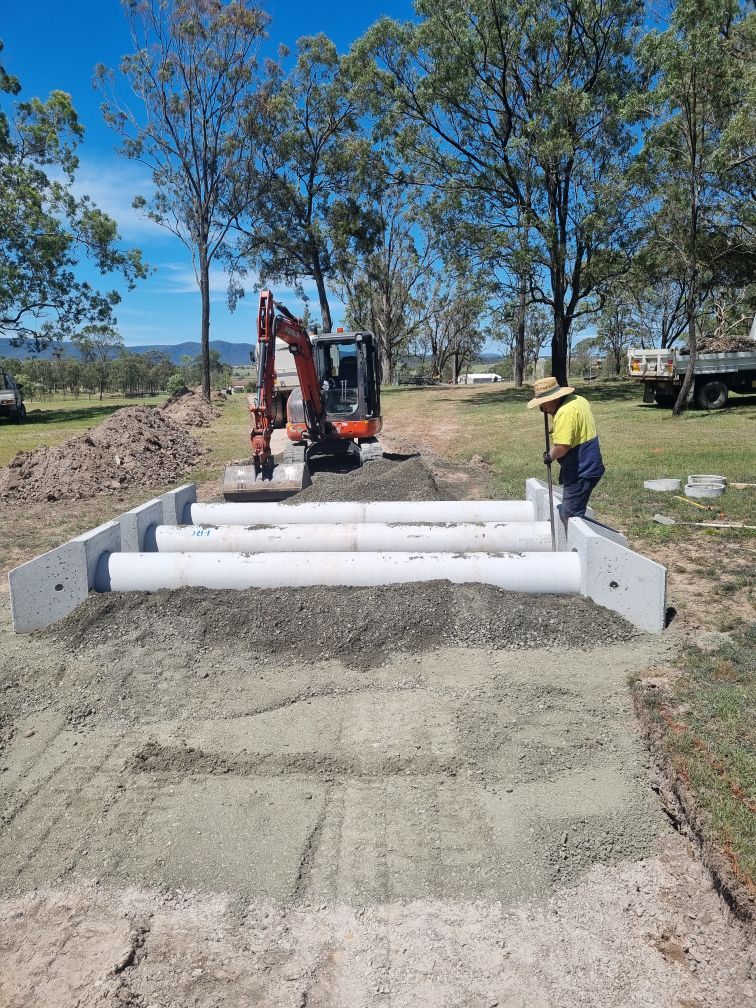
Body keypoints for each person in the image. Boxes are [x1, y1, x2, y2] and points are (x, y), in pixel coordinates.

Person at [527, 377, 605, 527]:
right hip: (589, 462)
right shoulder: (578, 400)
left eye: (543, 404)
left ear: (554, 399)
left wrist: (549, 456)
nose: (542, 409)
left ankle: (580, 547)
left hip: (582, 469)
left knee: (570, 516)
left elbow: (562, 448)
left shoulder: (564, 413)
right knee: (572, 510)